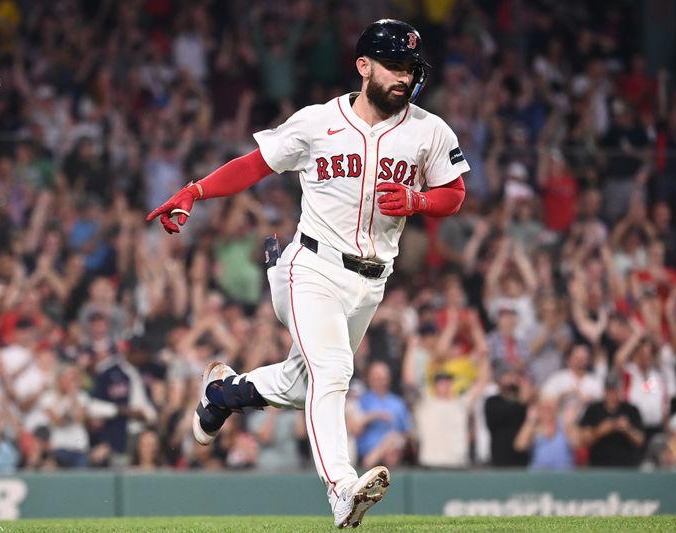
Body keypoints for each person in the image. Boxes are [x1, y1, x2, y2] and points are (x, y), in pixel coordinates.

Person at [146, 19, 468, 529]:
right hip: (311, 266)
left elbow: (454, 192)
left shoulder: (430, 130)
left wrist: (419, 200)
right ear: (364, 67)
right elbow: (255, 165)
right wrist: (194, 191)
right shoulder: (319, 121)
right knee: (334, 373)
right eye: (393, 66)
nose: (403, 77)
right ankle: (341, 488)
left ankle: (223, 394)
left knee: (303, 385)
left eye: (410, 68)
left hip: (372, 280)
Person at [579, 371, 645, 467]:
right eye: (609, 389)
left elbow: (640, 441)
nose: (612, 393)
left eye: (615, 389)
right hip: (599, 467)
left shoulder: (631, 410)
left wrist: (628, 430)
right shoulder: (593, 409)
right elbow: (583, 440)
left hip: (626, 467)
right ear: (604, 390)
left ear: (621, 389)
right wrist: (600, 431)